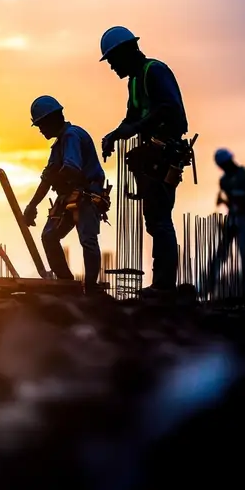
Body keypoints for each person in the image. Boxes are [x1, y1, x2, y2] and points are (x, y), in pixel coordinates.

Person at [100, 26, 189, 297]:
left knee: (160, 217)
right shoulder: (135, 80)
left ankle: (164, 285)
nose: (113, 67)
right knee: (154, 218)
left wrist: (136, 126)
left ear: (127, 52)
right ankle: (162, 282)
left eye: (113, 61)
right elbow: (132, 117)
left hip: (165, 152)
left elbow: (168, 107)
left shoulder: (154, 71)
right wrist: (116, 134)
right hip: (153, 153)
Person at [23, 96, 106, 293]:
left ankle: (91, 289)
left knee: (88, 240)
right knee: (49, 236)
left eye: (41, 125)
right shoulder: (59, 144)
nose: (41, 130)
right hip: (69, 197)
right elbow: (48, 178)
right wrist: (32, 205)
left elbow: (71, 169)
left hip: (86, 195)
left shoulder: (71, 136)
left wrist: (56, 178)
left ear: (53, 119)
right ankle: (67, 284)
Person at [208, 148, 245, 302]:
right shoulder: (223, 180)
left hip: (244, 218)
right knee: (221, 254)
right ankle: (210, 288)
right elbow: (228, 197)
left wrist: (238, 196)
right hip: (232, 218)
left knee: (244, 255)